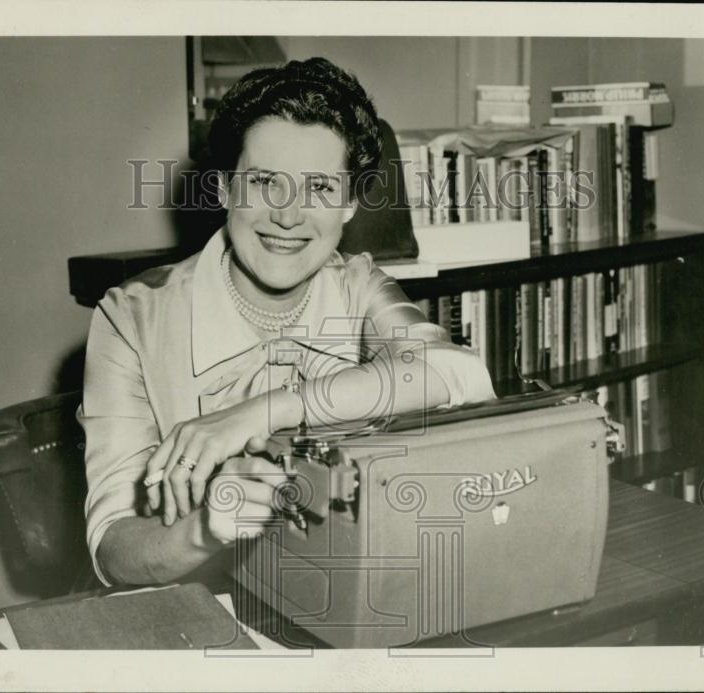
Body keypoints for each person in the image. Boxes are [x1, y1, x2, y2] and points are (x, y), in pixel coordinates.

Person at [79, 57, 495, 587]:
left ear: (348, 205)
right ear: (226, 188)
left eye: (320, 187)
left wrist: (256, 415)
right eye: (265, 182)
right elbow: (113, 550)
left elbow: (462, 375)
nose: (289, 215)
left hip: (336, 588)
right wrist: (205, 529)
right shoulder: (131, 317)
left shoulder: (358, 283)